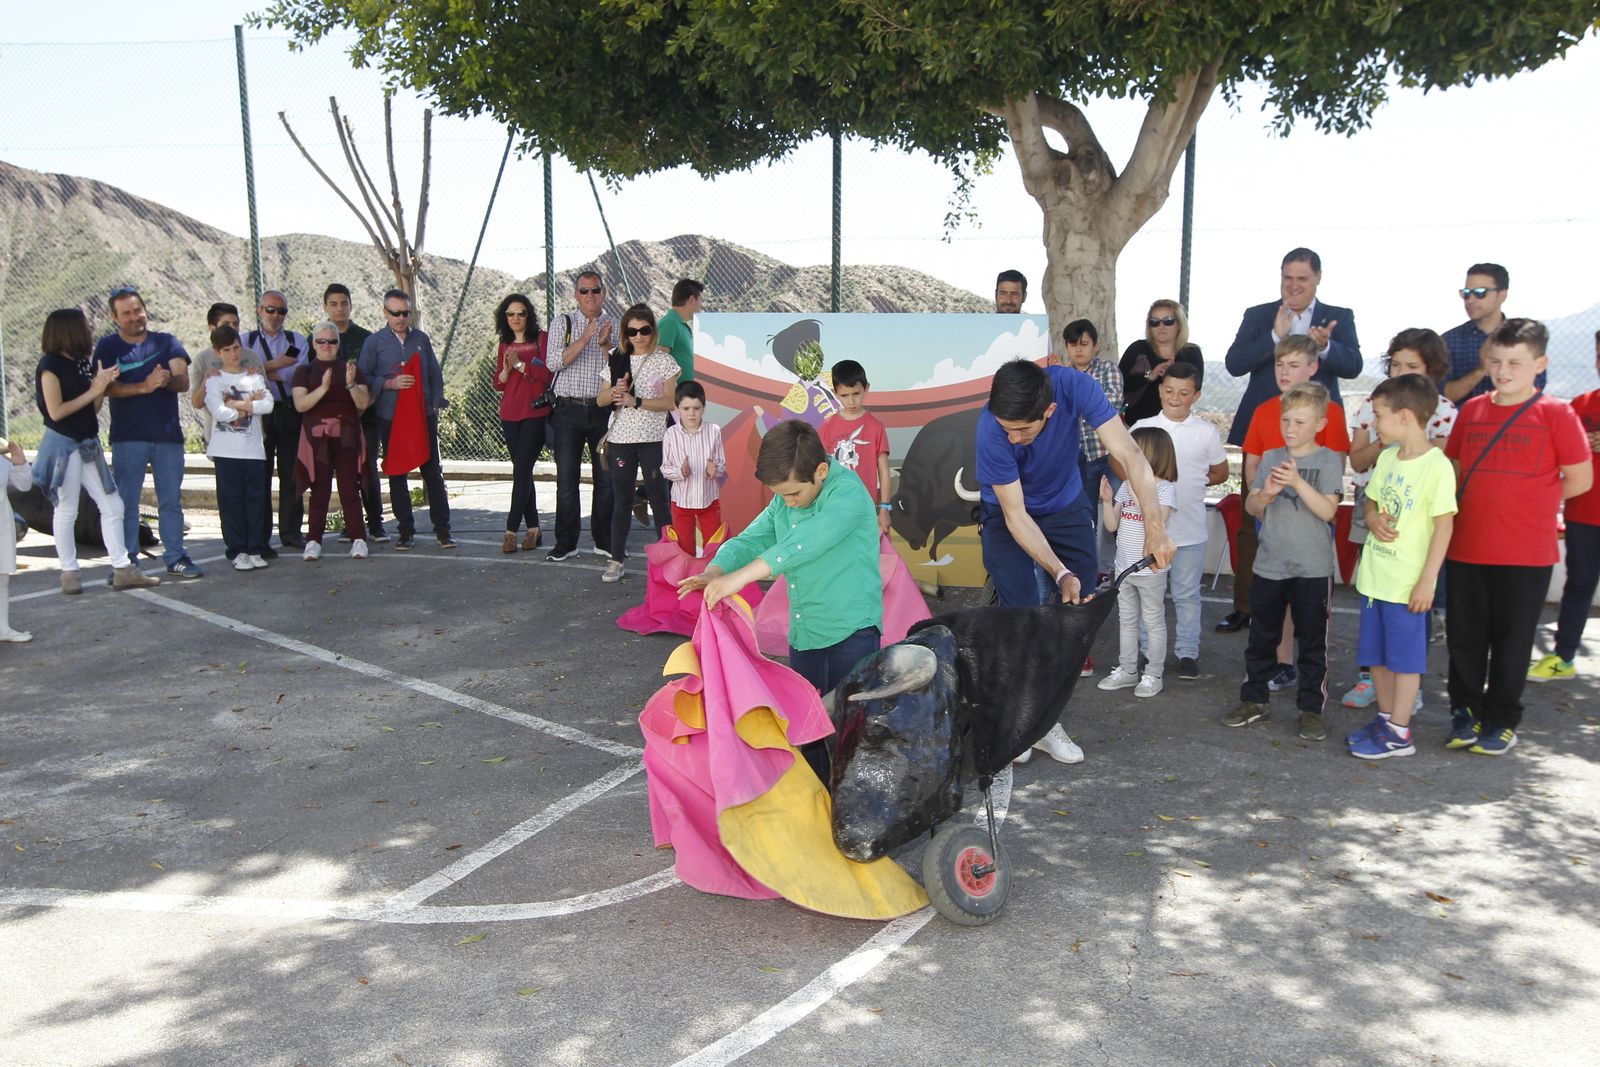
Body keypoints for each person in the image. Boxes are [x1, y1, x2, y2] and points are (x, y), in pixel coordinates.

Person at [977, 359, 1176, 764]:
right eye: (1006, 428)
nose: (1013, 438)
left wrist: (1155, 527)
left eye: (1023, 430)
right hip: (1007, 513)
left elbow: (1130, 454)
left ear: (1049, 411)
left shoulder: (1073, 387)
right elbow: (1017, 516)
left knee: (1077, 607)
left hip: (1065, 504)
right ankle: (1015, 718)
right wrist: (1058, 570)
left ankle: (1044, 719)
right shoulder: (990, 431)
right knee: (1019, 613)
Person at [679, 420, 881, 782]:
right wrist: (717, 569)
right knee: (807, 734)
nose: (788, 502)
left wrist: (741, 577)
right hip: (805, 635)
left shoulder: (848, 494)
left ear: (821, 471)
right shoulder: (786, 499)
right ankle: (815, 808)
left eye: (793, 494)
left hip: (852, 634)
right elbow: (752, 539)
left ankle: (850, 812)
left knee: (850, 737)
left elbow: (806, 542)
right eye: (780, 495)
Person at [1444, 319, 1591, 755]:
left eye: (1515, 363)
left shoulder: (1556, 413)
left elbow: (1580, 479)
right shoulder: (1472, 410)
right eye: (1496, 361)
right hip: (1467, 546)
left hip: (1527, 553)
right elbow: (1454, 468)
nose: (1503, 371)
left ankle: (1502, 720)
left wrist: (1535, 502)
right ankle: (1465, 712)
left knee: (1513, 641)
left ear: (1539, 364)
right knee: (1465, 638)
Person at [1219, 248, 1361, 632]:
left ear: (1317, 279)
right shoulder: (1259, 315)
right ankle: (1247, 607)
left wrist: (1324, 346)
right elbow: (1235, 363)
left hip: (1315, 437)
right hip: (1263, 430)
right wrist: (1274, 337)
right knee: (1253, 521)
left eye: (1302, 278)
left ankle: (1308, 611)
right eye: (1287, 277)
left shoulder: (1339, 317)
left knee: (1311, 520)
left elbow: (1353, 365)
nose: (1293, 285)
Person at [1341, 329, 1458, 709]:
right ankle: (1384, 707)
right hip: (1377, 573)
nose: (1401, 372)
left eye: (1412, 366)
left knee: (1405, 647)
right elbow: (1369, 489)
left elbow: (1443, 521)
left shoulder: (1437, 460)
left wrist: (1427, 580)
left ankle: (1401, 713)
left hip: (1409, 573)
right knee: (1374, 645)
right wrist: (1372, 516)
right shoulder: (1387, 449)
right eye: (1395, 364)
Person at [1221, 382, 1344, 741]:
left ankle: (1311, 710)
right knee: (1261, 638)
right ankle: (1253, 700)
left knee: (1312, 643)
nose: (1290, 428)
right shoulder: (1271, 457)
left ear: (1320, 424)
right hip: (1270, 565)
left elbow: (1329, 511)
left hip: (1313, 568)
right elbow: (1251, 506)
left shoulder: (1328, 460)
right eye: (1286, 420)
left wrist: (1297, 482)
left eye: (1300, 422)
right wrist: (1266, 495)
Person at [1224, 334, 1352, 649]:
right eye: (1279, 364)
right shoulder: (1263, 410)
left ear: (1313, 368)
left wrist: (1316, 500)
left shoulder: (1331, 412)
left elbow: (1336, 463)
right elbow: (1252, 463)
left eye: (1293, 365)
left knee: (1309, 599)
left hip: (1313, 519)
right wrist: (1262, 500)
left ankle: (1310, 663)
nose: (1284, 371)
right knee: (1274, 595)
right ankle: (1280, 663)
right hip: (1271, 512)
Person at [33, 308, 159, 593]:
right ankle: (69, 572)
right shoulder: (50, 365)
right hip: (64, 446)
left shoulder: (80, 362)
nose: (88, 329)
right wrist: (94, 389)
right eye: (83, 325)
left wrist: (101, 386)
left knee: (112, 504)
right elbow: (56, 412)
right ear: (69, 330)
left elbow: (92, 408)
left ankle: (122, 568)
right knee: (67, 508)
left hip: (88, 443)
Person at [93, 285, 202, 580]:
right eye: (126, 313)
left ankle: (176, 556)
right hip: (128, 437)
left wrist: (166, 380)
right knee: (126, 502)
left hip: (168, 438)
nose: (134, 317)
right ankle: (127, 562)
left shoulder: (167, 342)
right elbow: (105, 387)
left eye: (137, 310)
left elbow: (183, 381)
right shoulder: (107, 347)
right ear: (115, 317)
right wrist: (144, 386)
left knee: (170, 500)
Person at [1130, 362, 1228, 679]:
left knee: (1187, 596)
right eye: (1169, 390)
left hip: (1190, 533)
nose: (1175, 397)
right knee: (1150, 596)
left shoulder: (1206, 432)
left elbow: (1220, 472)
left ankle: (1187, 653)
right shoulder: (1142, 427)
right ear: (1160, 390)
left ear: (1196, 395)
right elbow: (1122, 463)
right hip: (1149, 533)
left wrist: (1194, 483)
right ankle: (1148, 650)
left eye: (1184, 393)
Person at [357, 289, 454, 550]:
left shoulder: (421, 339)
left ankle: (443, 530)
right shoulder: (374, 342)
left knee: (432, 472)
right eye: (395, 313)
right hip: (390, 417)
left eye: (405, 313)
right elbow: (363, 376)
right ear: (385, 313)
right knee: (397, 472)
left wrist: (434, 402)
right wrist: (389, 383)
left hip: (423, 416)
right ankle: (405, 531)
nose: (401, 318)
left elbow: (434, 374)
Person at [1530, 328, 1600, 682]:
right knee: (1579, 585)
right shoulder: (1581, 405)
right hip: (1583, 513)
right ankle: (1563, 657)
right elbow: (1554, 454)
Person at [598, 303, 679, 583]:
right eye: (632, 332)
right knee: (622, 501)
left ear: (653, 331)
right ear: (625, 333)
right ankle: (616, 560)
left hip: (654, 439)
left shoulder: (664, 361)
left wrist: (637, 401)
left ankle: (670, 561)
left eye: (644, 330)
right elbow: (600, 399)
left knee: (660, 500)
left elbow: (670, 401)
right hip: (621, 439)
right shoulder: (616, 359)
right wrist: (615, 391)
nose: (638, 336)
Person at [1097, 427, 1178, 697]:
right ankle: (1128, 670)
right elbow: (1112, 526)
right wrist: (1107, 501)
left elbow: (1158, 524)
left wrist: (1135, 490)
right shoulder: (1125, 487)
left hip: (1150, 571)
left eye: (1135, 450)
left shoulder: (1165, 489)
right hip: (1123, 569)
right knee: (1127, 621)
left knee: (1153, 622)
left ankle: (1153, 674)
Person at [545, 270, 617, 562]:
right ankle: (566, 543)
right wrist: (585, 338)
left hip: (603, 410)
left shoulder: (616, 325)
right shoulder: (562, 323)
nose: (590, 296)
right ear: (576, 294)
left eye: (595, 290)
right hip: (567, 411)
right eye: (584, 291)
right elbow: (552, 363)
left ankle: (605, 541)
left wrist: (604, 345)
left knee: (606, 480)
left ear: (604, 292)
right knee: (566, 480)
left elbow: (620, 370)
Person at [293, 320, 373, 561]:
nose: (326, 345)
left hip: (347, 437)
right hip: (317, 440)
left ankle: (358, 539)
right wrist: (323, 388)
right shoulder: (304, 371)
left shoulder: (351, 370)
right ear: (313, 344)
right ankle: (313, 541)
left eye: (331, 341)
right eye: (321, 341)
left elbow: (363, 403)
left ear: (338, 344)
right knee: (319, 491)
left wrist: (350, 384)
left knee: (349, 489)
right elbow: (300, 405)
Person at [203, 324, 275, 570]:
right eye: (227, 350)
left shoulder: (253, 376)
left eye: (236, 348)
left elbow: (268, 405)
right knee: (231, 501)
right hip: (225, 451)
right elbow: (219, 412)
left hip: (253, 450)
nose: (233, 354)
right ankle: (237, 550)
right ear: (217, 351)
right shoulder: (214, 380)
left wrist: (236, 403)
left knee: (255, 499)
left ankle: (255, 548)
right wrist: (247, 406)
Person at [245, 289, 308, 551]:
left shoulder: (296, 340)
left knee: (291, 474)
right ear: (259, 311)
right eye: (270, 309)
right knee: (260, 474)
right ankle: (260, 534)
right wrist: (278, 365)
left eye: (281, 311)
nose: (275, 315)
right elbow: (241, 373)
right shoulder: (245, 340)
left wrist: (261, 369)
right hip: (258, 413)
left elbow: (298, 374)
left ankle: (291, 532)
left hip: (289, 410)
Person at [324, 282, 385, 543]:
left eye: (344, 303)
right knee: (345, 470)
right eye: (334, 304)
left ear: (351, 305)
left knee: (367, 467)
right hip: (335, 418)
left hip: (366, 417)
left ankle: (376, 524)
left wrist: (364, 404)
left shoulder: (366, 339)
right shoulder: (319, 338)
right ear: (325, 307)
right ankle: (352, 524)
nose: (339, 308)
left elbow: (375, 378)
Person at [491, 293, 552, 554]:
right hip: (510, 414)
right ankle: (534, 529)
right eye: (511, 314)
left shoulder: (541, 339)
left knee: (522, 470)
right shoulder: (504, 344)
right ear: (504, 317)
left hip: (535, 413)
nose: (516, 318)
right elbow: (498, 383)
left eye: (521, 313)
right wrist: (507, 370)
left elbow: (548, 374)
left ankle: (511, 530)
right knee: (523, 472)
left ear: (529, 315)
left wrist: (521, 365)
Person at [1441, 264, 1545, 403]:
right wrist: (1481, 370)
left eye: (1480, 292)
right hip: (1463, 416)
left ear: (1502, 295)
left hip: (1515, 416)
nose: (1470, 300)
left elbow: (1536, 388)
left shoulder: (1523, 340)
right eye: (1466, 293)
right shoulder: (1449, 341)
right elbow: (1442, 397)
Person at [819, 359, 892, 536]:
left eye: (856, 393)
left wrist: (884, 508)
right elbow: (818, 470)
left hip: (865, 509)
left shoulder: (876, 427)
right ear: (835, 393)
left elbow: (884, 471)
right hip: (833, 508)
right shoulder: (826, 428)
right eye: (844, 395)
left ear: (866, 388)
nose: (851, 401)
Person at [661, 380, 726, 556]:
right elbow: (665, 468)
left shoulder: (714, 431)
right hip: (681, 502)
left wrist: (713, 470)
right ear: (677, 408)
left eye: (696, 408)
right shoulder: (670, 434)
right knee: (684, 549)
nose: (691, 413)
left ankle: (711, 574)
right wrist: (681, 472)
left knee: (713, 547)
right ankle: (687, 574)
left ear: (704, 408)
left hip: (709, 500)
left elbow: (721, 464)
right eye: (686, 408)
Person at [1119, 299, 1204, 426]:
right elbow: (1119, 384)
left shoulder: (1191, 353)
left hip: (1176, 422)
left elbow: (1195, 388)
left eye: (1168, 321)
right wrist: (1150, 375)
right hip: (1137, 424)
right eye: (1154, 322)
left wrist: (1174, 375)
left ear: (1179, 324)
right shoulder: (1138, 348)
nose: (1161, 327)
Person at [187, 302, 254, 447]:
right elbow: (196, 403)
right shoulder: (203, 359)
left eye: (235, 324)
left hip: (250, 439)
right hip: (218, 439)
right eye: (226, 324)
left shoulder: (252, 357)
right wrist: (207, 381)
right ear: (212, 328)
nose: (232, 328)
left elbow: (264, 398)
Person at [1, 436, 36, 641]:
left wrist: (20, 462)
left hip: (1, 520)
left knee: (1, 576)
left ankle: (2, 627)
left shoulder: (2, 460)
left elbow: (24, 485)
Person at [657, 279, 703, 385]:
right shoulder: (670, 322)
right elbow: (659, 362)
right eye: (701, 301)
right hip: (677, 393)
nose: (701, 306)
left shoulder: (680, 324)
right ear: (692, 300)